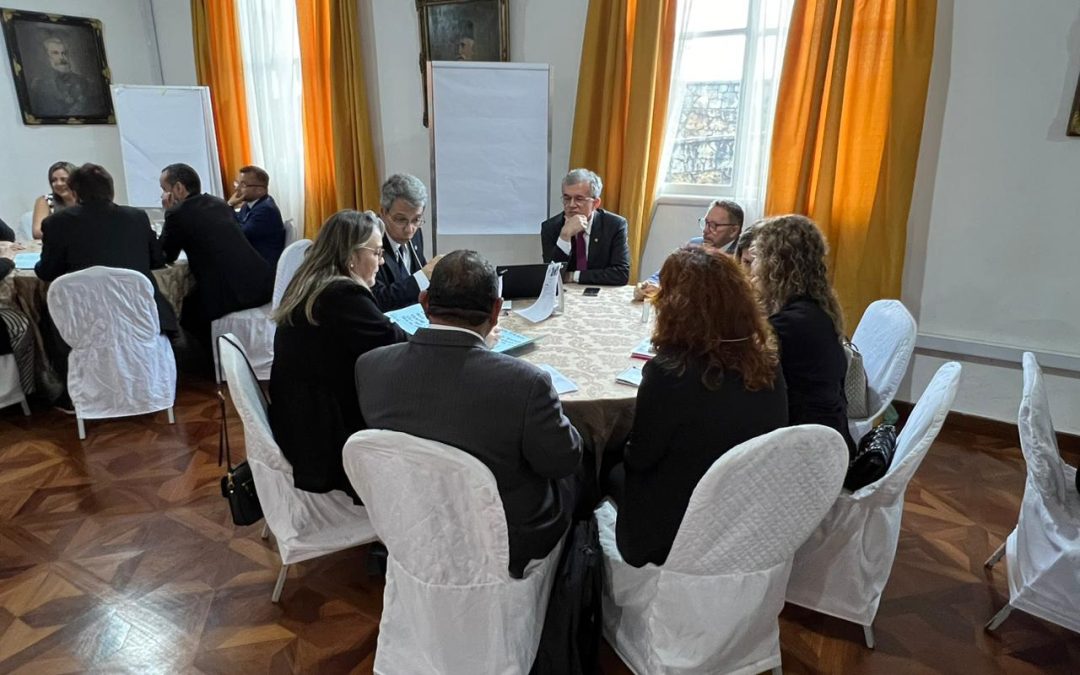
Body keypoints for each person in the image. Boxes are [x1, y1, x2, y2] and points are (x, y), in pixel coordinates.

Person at [355, 250, 583, 577]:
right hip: (502, 541)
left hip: (412, 528)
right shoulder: (526, 384)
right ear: (496, 309)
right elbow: (563, 462)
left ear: (424, 302)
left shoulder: (371, 368)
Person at [610, 248, 788, 567]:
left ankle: (581, 585)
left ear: (675, 306)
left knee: (596, 466)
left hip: (677, 530)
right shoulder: (767, 360)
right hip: (746, 516)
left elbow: (640, 459)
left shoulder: (669, 372)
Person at [270, 210, 407, 502]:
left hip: (298, 420)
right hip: (324, 438)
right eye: (378, 252)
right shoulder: (342, 297)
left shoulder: (310, 281)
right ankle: (399, 515)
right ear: (351, 256)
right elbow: (396, 347)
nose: (382, 262)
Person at [751, 214, 856, 455]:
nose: (753, 269)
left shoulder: (789, 326)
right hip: (830, 438)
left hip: (805, 453)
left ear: (774, 265)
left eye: (756, 258)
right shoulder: (817, 310)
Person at [34, 163, 176, 334]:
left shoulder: (56, 223)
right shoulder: (136, 217)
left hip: (83, 319)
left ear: (75, 193)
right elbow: (157, 260)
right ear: (111, 190)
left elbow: (47, 272)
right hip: (140, 315)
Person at [159, 163, 273, 365]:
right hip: (262, 281)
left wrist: (169, 212)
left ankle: (213, 365)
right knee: (193, 299)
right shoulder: (218, 203)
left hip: (234, 291)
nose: (163, 196)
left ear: (178, 188)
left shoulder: (178, 214)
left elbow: (166, 255)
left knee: (187, 313)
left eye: (165, 190)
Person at [634, 199, 744, 299]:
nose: (705, 230)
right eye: (705, 223)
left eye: (714, 225)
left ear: (733, 230)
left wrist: (666, 292)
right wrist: (650, 285)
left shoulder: (743, 256)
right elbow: (663, 274)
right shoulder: (695, 244)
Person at [541, 168, 630, 286]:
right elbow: (550, 277)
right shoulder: (550, 227)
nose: (571, 205)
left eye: (579, 199)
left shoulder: (614, 225)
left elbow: (621, 274)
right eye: (567, 198)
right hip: (567, 296)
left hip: (601, 294)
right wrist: (564, 236)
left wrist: (574, 276)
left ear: (595, 203)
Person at [371, 173, 440, 310]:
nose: (409, 229)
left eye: (416, 220)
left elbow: (420, 273)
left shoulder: (416, 233)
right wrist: (422, 277)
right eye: (401, 219)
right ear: (384, 212)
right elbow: (378, 299)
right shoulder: (370, 241)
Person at [27, 36, 105, 118]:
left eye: (64, 53)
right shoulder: (38, 85)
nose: (62, 58)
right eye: (55, 53)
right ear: (46, 57)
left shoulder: (85, 82)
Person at [226, 165, 286, 269]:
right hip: (251, 261)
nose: (237, 188)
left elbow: (239, 234)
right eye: (237, 183)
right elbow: (237, 223)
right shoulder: (248, 205)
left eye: (243, 185)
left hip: (261, 268)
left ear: (260, 190)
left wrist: (229, 206)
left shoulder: (266, 210)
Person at [31, 161, 78, 240]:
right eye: (54, 180)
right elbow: (37, 232)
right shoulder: (45, 201)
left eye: (63, 179)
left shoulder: (87, 200)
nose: (58, 183)